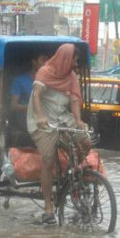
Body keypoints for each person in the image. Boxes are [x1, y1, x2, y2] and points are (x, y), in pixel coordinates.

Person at [28, 44, 92, 225]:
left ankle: (71, 173)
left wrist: (78, 121)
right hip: (43, 122)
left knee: (86, 141)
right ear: (65, 58)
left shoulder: (71, 77)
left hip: (63, 119)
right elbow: (36, 96)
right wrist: (39, 116)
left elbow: (74, 100)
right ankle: (48, 207)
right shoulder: (44, 72)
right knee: (48, 159)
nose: (75, 64)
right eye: (74, 60)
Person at [10, 52, 48, 137]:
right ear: (34, 62)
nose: (46, 63)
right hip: (25, 119)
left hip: (47, 118)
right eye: (43, 60)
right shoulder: (20, 80)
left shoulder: (50, 81)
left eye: (47, 60)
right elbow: (13, 106)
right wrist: (33, 107)